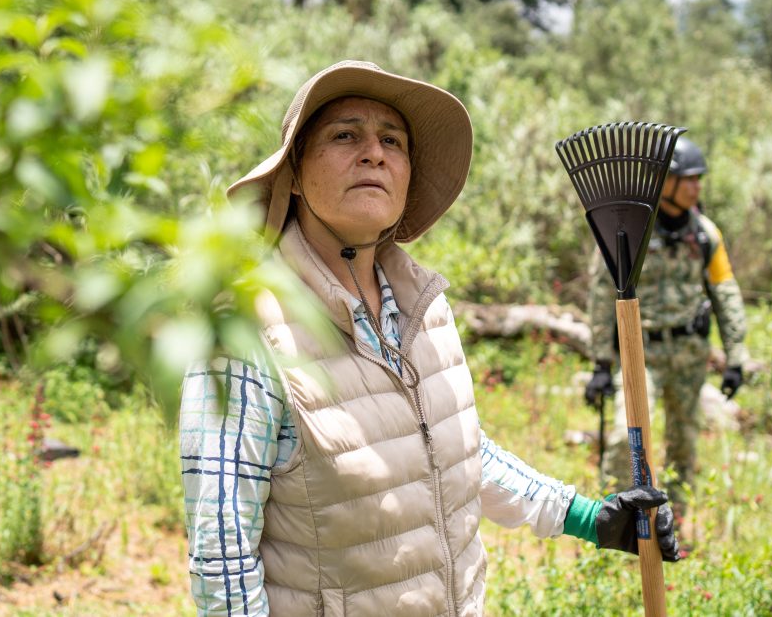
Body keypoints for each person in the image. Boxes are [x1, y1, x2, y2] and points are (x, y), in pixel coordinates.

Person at [181, 60, 680, 616]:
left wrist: (585, 516)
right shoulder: (248, 330)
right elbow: (221, 552)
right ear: (293, 175)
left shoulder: (426, 309)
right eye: (345, 135)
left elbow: (454, 450)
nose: (373, 153)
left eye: (391, 140)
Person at [585, 136, 748, 514]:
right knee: (624, 439)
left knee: (683, 445)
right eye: (688, 179)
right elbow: (599, 296)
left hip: (690, 355)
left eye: (699, 179)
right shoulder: (628, 230)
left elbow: (726, 292)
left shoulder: (705, 233)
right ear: (665, 181)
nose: (696, 187)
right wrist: (600, 363)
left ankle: (674, 528)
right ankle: (615, 520)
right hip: (641, 352)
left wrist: (737, 356)